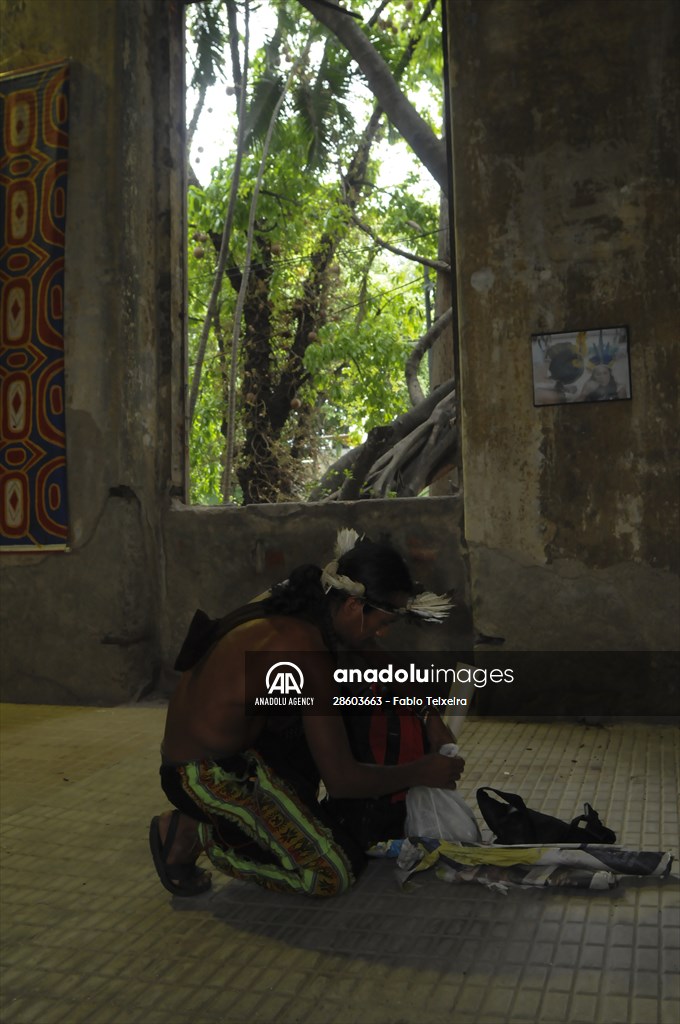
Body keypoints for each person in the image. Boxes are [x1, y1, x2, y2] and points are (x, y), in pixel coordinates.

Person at [149, 530, 464, 899]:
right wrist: (421, 770)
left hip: (239, 748)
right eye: (382, 622)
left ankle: (254, 817)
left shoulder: (308, 600)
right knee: (333, 872)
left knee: (355, 701)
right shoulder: (303, 651)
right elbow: (343, 779)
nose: (381, 632)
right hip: (202, 775)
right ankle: (197, 833)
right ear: (352, 607)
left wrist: (429, 714)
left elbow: (371, 650)